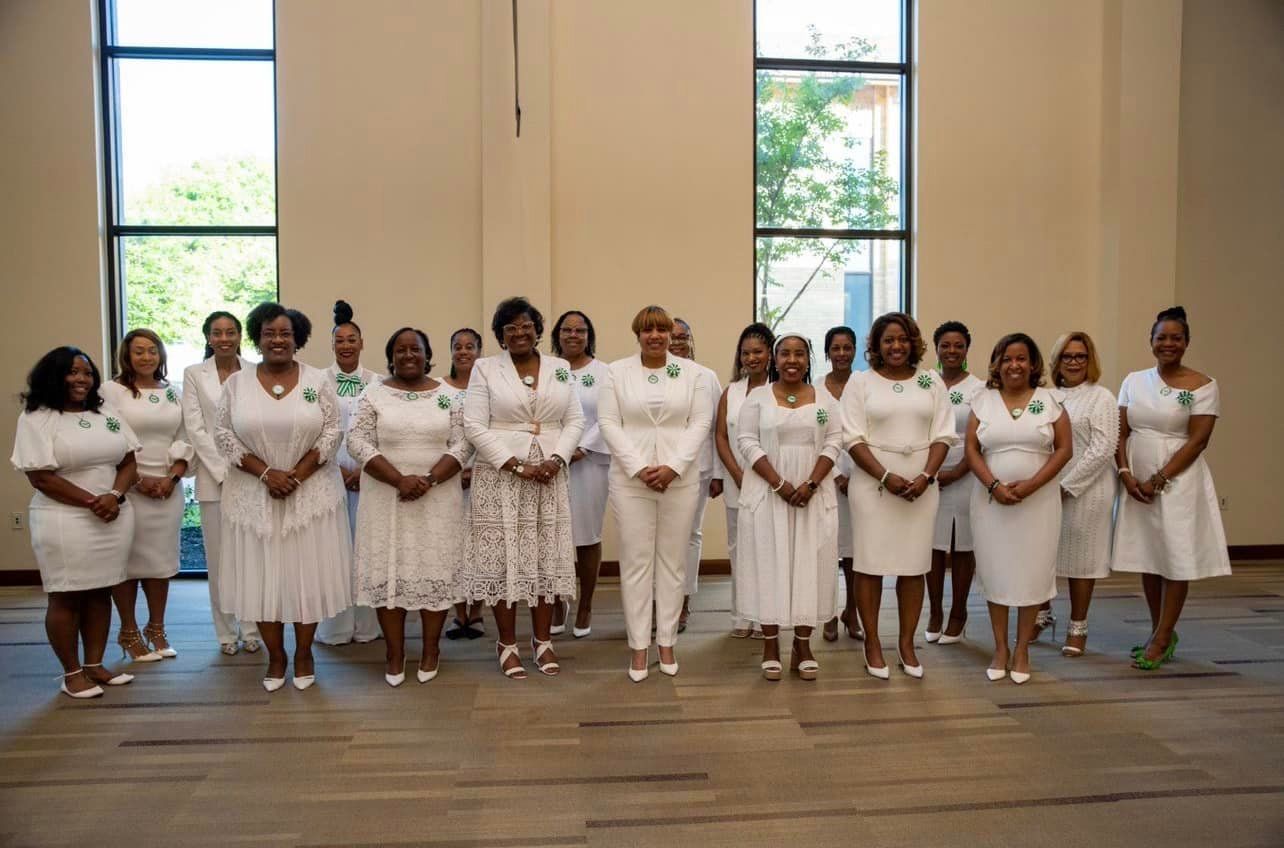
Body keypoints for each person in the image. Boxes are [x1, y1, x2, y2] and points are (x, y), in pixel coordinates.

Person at [215, 302, 352, 692]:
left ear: (298, 339)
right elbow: (223, 434)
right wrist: (265, 473)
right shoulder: (236, 384)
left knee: (305, 575)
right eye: (270, 333)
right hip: (253, 495)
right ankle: (276, 657)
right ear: (257, 338)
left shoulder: (317, 381)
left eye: (286, 333)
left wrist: (296, 475)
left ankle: (305, 653)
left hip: (310, 494)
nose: (278, 340)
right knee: (263, 577)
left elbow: (332, 431)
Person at [461, 297, 583, 679]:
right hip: (501, 477)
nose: (518, 332)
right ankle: (508, 643)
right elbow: (474, 425)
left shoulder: (560, 368)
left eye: (525, 325)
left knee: (545, 555)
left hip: (549, 473)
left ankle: (543, 641)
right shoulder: (484, 369)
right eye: (509, 327)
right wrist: (515, 464)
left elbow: (575, 419)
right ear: (499, 335)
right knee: (505, 560)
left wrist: (556, 458)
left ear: (537, 329)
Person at [11, 347, 140, 698]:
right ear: (53, 376)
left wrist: (113, 495)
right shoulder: (37, 417)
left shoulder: (105, 411)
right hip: (64, 518)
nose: (81, 379)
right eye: (72, 372)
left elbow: (129, 461)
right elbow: (41, 477)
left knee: (101, 589)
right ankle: (71, 673)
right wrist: (91, 502)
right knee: (66, 594)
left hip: (113, 514)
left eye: (86, 372)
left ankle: (94, 664)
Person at [348, 328, 471, 686]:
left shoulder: (450, 397)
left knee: (434, 570)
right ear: (390, 355)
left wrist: (429, 479)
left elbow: (464, 443)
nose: (408, 355)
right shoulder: (372, 395)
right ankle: (394, 652)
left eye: (415, 349)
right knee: (391, 573)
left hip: (438, 497)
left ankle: (431, 650)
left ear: (427, 353)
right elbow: (356, 440)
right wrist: (398, 479)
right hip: (386, 498)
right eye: (400, 350)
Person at [599, 305, 714, 681]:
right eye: (647, 330)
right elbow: (608, 423)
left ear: (671, 335)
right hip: (631, 480)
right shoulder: (616, 372)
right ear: (637, 335)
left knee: (672, 562)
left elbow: (699, 422)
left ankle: (666, 642)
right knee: (635, 564)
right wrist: (638, 467)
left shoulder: (693, 374)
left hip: (679, 479)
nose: (655, 336)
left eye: (662, 330)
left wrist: (673, 466)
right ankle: (638, 646)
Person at [1113, 307, 1229, 670]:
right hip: (1136, 479)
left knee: (1175, 558)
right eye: (1161, 337)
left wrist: (1159, 479)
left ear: (1186, 342)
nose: (1168, 343)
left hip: (1179, 480)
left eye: (1175, 337)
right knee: (1150, 555)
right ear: (1151, 342)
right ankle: (1156, 630)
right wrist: (1125, 472)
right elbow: (1121, 431)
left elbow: (1198, 441)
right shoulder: (1133, 380)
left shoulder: (1204, 384)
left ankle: (1164, 635)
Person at [840, 312, 955, 679]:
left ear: (913, 343)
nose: (896, 346)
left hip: (922, 487)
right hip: (873, 486)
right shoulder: (861, 383)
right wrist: (885, 475)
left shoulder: (930, 380)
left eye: (902, 339)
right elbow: (852, 437)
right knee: (870, 564)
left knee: (914, 565)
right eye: (888, 340)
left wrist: (926, 475)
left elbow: (944, 435)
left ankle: (906, 644)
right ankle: (872, 642)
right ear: (876, 345)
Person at [966, 333, 1072, 684]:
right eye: (1007, 358)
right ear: (997, 364)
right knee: (997, 573)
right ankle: (1000, 648)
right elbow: (971, 451)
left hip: (1038, 503)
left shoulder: (1051, 400)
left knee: (1031, 574)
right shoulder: (982, 401)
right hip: (990, 503)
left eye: (1022, 358)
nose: (1015, 365)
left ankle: (1022, 648)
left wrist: (1031, 485)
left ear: (1033, 364)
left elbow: (1063, 450)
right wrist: (995, 486)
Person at [735, 334, 841, 681]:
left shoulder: (825, 399)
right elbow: (746, 440)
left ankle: (803, 643)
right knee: (769, 561)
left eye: (799, 354)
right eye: (784, 354)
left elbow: (835, 440)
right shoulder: (758, 398)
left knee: (809, 563)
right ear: (774, 359)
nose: (792, 360)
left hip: (813, 491)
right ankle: (770, 644)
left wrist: (810, 483)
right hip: (768, 490)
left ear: (809, 360)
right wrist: (779, 482)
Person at [101, 329, 194, 663]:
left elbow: (186, 438)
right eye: (138, 351)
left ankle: (157, 629)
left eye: (152, 350)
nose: (145, 357)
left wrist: (171, 478)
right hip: (128, 488)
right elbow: (107, 437)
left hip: (167, 490)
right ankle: (128, 631)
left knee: (160, 562)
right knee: (126, 563)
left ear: (161, 355)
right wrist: (137, 480)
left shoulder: (174, 393)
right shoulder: (110, 391)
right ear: (126, 355)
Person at [181, 312, 261, 655]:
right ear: (208, 337)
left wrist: (251, 467)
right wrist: (222, 470)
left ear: (240, 335)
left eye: (231, 332)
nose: (225, 338)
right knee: (219, 559)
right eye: (218, 333)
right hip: (215, 480)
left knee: (252, 556)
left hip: (254, 476)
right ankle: (226, 632)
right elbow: (195, 427)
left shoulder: (255, 370)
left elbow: (259, 424)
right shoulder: (193, 375)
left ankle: (252, 628)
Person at [1047, 331, 1118, 657]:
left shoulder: (1101, 397)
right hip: (1049, 487)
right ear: (1057, 361)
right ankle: (1042, 615)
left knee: (1081, 562)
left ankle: (1078, 627)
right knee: (1044, 556)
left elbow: (1104, 448)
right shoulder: (1047, 396)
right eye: (1067, 356)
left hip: (1088, 490)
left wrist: (1069, 485)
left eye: (1080, 356)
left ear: (1090, 361)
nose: (1074, 362)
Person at [316, 300, 382, 646]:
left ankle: (367, 624)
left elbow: (384, 431)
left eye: (351, 339)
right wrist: (338, 469)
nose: (345, 345)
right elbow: (314, 430)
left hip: (371, 475)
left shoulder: (378, 382)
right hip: (330, 472)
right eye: (339, 340)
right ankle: (336, 627)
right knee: (335, 549)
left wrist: (366, 469)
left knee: (366, 548)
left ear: (361, 343)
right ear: (332, 345)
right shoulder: (318, 382)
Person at [550, 310, 610, 638]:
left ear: (589, 335)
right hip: (549, 464)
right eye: (567, 330)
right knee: (554, 533)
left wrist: (582, 448)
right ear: (557, 335)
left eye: (580, 330)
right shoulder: (547, 370)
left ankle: (585, 603)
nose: (573, 335)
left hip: (589, 464)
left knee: (586, 536)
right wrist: (555, 452)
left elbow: (609, 417)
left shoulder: (605, 373)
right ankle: (559, 600)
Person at [926, 321, 985, 645]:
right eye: (945, 345)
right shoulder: (925, 382)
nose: (951, 351)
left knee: (962, 545)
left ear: (966, 349)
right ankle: (934, 611)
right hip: (928, 475)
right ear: (936, 348)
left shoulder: (979, 388)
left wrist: (960, 470)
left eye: (958, 346)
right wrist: (931, 472)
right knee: (932, 546)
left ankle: (959, 613)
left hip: (966, 473)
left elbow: (982, 435)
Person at [714, 323, 774, 639]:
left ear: (770, 355)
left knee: (768, 548)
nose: (751, 358)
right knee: (739, 549)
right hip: (736, 482)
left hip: (772, 483)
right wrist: (737, 475)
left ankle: (767, 615)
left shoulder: (779, 389)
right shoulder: (732, 391)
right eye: (746, 352)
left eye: (758, 352)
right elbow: (721, 436)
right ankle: (741, 614)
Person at [669, 317, 723, 632]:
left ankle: (684, 600)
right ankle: (659, 600)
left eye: (682, 336)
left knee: (689, 536)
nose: (677, 342)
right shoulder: (652, 374)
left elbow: (718, 427)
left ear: (692, 340)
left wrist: (717, 472)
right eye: (671, 336)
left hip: (698, 468)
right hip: (658, 469)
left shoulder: (707, 377)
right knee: (660, 538)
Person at [817, 326, 862, 642]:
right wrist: (835, 475)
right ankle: (829, 614)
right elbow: (813, 438)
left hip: (862, 480)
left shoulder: (864, 385)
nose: (842, 354)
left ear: (855, 350)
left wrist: (856, 475)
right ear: (827, 352)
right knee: (827, 551)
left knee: (856, 555)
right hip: (823, 480)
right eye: (836, 348)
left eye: (848, 347)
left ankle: (853, 612)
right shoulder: (815, 389)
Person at [442, 328, 486, 640]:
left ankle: (478, 612)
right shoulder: (439, 389)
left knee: (481, 546)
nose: (464, 352)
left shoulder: (489, 387)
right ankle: (458, 614)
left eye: (470, 347)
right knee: (453, 547)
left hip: (484, 475)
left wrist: (478, 469)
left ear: (479, 352)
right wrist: (451, 471)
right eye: (458, 346)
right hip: (448, 478)